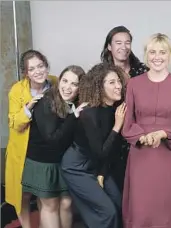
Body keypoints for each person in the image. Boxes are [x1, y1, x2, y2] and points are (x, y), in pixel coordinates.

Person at [122, 33, 171, 228]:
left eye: (162, 52)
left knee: (170, 205)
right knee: (143, 205)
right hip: (141, 154)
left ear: (170, 55)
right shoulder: (133, 84)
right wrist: (142, 136)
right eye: (152, 52)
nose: (157, 57)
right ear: (146, 55)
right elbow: (127, 121)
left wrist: (164, 134)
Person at [61, 63, 127, 228]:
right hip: (76, 167)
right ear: (99, 86)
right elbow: (100, 151)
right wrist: (117, 126)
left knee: (119, 205)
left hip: (98, 165)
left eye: (118, 81)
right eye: (112, 82)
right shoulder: (89, 113)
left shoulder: (115, 109)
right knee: (107, 212)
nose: (118, 86)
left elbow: (112, 150)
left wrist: (102, 173)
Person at [21, 65, 87, 228]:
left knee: (65, 203)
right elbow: (53, 139)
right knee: (50, 205)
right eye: (65, 81)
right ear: (59, 81)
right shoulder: (46, 101)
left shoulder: (76, 104)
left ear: (80, 88)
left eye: (74, 84)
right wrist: (74, 117)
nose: (67, 87)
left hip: (62, 162)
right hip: (43, 163)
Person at [5, 50, 57, 228]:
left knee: (44, 194)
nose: (38, 71)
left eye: (40, 66)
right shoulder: (17, 90)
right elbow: (14, 123)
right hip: (23, 152)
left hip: (46, 151)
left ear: (46, 66)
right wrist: (28, 107)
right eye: (32, 69)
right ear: (26, 73)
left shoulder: (56, 83)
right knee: (23, 196)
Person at [100, 25, 148, 192]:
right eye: (118, 42)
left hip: (138, 133)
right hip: (111, 132)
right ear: (109, 46)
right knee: (118, 187)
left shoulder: (143, 71)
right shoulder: (102, 73)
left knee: (140, 187)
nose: (123, 47)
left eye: (127, 42)